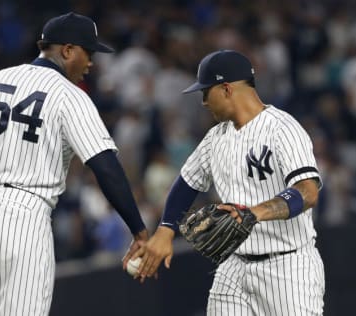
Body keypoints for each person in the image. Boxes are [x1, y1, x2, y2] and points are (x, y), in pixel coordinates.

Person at [0, 12, 148, 316]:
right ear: (68, 50)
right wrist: (138, 230)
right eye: (89, 52)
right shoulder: (69, 95)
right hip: (22, 212)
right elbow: (105, 167)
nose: (91, 63)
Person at [127, 50, 325, 315]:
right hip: (233, 266)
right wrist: (165, 230)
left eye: (205, 92)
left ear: (226, 89)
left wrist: (254, 213)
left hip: (288, 268)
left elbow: (308, 191)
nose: (203, 102)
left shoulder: (282, 129)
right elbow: (186, 183)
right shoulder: (215, 138)